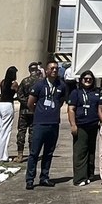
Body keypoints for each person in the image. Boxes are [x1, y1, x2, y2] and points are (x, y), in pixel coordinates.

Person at [25, 61, 66, 189]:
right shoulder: (39, 85)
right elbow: (30, 103)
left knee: (49, 153)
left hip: (53, 124)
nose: (54, 70)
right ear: (46, 71)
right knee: (34, 153)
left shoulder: (62, 86)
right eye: (52, 68)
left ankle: (44, 177)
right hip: (40, 123)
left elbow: (61, 101)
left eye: (56, 68)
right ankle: (30, 179)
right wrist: (39, 113)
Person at [68, 69, 101, 186]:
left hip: (93, 125)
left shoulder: (96, 92)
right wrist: (73, 125)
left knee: (91, 151)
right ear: (81, 80)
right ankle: (79, 178)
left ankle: (89, 175)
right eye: (85, 79)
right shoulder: (76, 93)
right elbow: (71, 109)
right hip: (81, 125)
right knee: (80, 152)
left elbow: (100, 108)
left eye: (90, 79)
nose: (88, 81)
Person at [0, 65, 19, 162]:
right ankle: (2, 156)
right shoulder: (14, 84)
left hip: (0, 106)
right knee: (5, 131)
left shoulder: (2, 82)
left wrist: (0, 95)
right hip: (8, 106)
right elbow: (20, 94)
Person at [15, 62, 42, 162]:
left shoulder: (25, 81)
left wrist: (27, 103)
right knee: (33, 133)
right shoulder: (41, 82)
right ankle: (32, 153)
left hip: (24, 111)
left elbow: (19, 95)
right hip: (35, 111)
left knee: (21, 131)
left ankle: (20, 155)